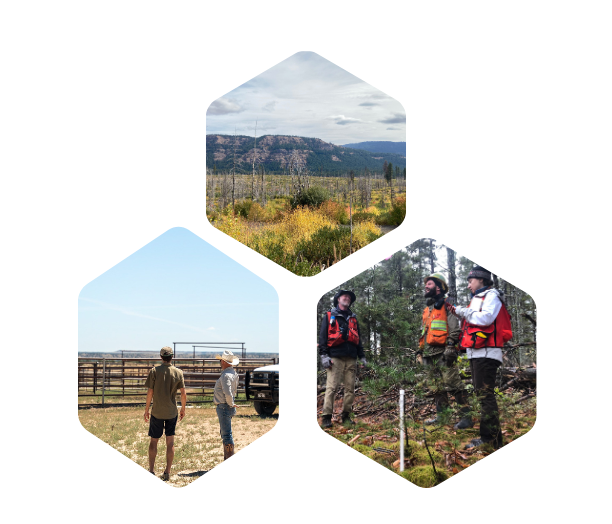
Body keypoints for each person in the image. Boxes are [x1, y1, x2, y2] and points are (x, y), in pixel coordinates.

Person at [446, 266, 510, 450]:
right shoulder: (477, 298)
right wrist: (459, 313)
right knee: (482, 394)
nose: (468, 286)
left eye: (470, 281)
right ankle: (489, 437)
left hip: (488, 352)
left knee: (485, 395)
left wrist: (463, 311)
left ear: (481, 279)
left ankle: (491, 439)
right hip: (477, 352)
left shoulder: (492, 296)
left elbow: (486, 319)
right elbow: (472, 323)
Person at [417, 273, 472, 429]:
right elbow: (424, 332)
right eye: (425, 284)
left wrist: (450, 346)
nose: (426, 286)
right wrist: (419, 351)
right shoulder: (427, 309)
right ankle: (443, 417)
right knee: (436, 387)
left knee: (454, 384)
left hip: (443, 353)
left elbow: (455, 328)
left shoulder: (447, 305)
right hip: (428, 354)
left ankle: (466, 418)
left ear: (439, 287)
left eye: (429, 284)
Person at [318, 289, 366, 428]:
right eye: (344, 296)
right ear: (338, 299)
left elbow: (358, 339)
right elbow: (322, 337)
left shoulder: (353, 318)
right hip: (335, 357)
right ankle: (326, 417)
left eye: (349, 297)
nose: (347, 298)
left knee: (350, 389)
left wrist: (362, 356)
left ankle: (346, 416)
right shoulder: (329, 315)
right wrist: (324, 355)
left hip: (351, 357)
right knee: (331, 388)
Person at [144, 346, 186, 481]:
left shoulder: (154, 371)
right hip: (171, 412)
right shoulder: (178, 372)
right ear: (172, 357)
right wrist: (183, 408)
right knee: (170, 442)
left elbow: (150, 392)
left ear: (161, 357)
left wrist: (146, 410)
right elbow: (183, 393)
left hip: (157, 411)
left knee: (153, 441)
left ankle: (151, 470)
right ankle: (167, 472)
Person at [214, 350, 240, 460]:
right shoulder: (234, 374)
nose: (220, 362)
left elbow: (228, 392)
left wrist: (230, 403)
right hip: (227, 406)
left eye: (221, 360)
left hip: (224, 406)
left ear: (224, 362)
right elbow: (232, 392)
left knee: (226, 435)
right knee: (226, 433)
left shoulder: (225, 375)